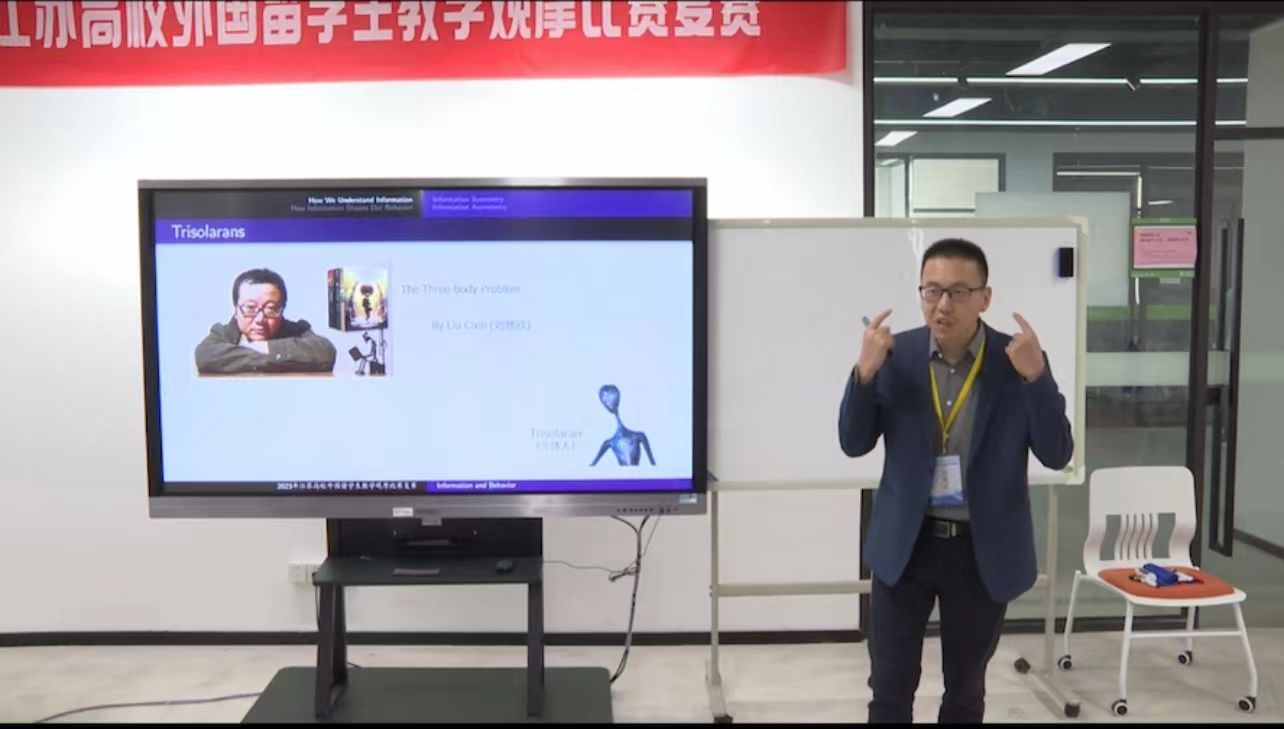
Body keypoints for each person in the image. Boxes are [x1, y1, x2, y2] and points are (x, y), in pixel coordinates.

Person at [838, 238, 1073, 723]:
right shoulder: (894, 355)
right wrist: (863, 373)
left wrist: (1037, 378)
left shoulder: (1017, 360)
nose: (943, 304)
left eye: (958, 292)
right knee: (888, 688)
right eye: (932, 290)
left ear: (985, 298)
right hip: (906, 546)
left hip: (980, 550)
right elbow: (853, 442)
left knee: (965, 691)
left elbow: (1056, 453)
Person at [194, 268, 337, 375]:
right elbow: (205, 356)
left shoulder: (297, 330)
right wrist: (275, 358)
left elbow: (325, 352)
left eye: (270, 308)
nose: (260, 319)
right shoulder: (223, 332)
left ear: (282, 309)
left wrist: (263, 348)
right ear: (236, 309)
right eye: (250, 308)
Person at [591, 385, 656, 466]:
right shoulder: (610, 443)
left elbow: (654, 466)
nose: (608, 403)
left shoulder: (638, 436)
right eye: (606, 400)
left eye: (609, 399)